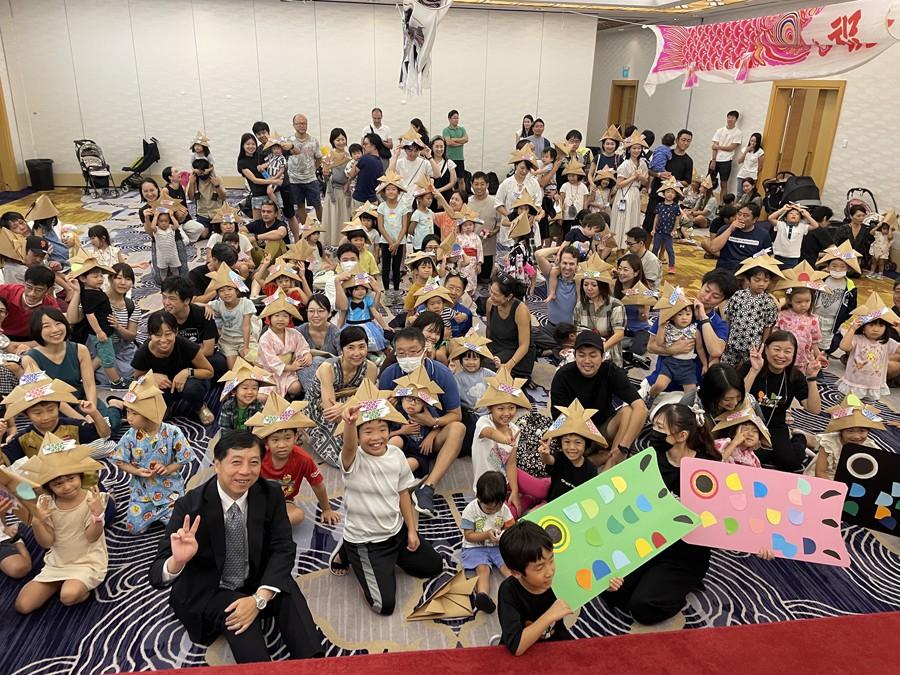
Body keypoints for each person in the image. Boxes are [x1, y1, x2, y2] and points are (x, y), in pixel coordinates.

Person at [148, 430, 324, 662]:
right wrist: (177, 561)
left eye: (254, 462)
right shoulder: (190, 506)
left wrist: (258, 599)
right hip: (213, 588)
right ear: (217, 465)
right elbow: (156, 575)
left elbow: (283, 548)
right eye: (236, 462)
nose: (245, 471)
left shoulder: (270, 493)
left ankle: (316, 664)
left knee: (286, 587)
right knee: (240, 622)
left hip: (255, 578)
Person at [331, 386, 443, 613]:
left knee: (434, 566)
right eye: (368, 431)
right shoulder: (353, 459)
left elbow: (403, 493)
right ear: (358, 436)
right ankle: (348, 551)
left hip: (396, 533)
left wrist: (411, 531)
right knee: (383, 605)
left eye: (382, 429)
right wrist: (350, 424)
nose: (376, 437)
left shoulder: (396, 455)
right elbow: (349, 446)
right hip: (366, 542)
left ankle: (377, 559)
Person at [602, 403, 716, 626]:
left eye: (660, 428)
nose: (654, 432)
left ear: (682, 436)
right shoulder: (650, 458)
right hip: (650, 542)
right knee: (613, 592)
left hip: (684, 553)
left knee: (644, 607)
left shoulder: (706, 468)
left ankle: (683, 586)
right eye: (654, 425)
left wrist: (759, 543)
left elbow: (723, 515)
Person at [14, 436, 108, 614]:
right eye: (58, 484)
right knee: (23, 605)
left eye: (71, 478)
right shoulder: (45, 503)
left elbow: (92, 537)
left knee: (68, 596)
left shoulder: (92, 499)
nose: (66, 486)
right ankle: (60, 582)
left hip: (87, 561)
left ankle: (77, 587)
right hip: (58, 563)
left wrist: (97, 514)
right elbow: (47, 543)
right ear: (49, 487)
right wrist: (37, 522)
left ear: (80, 476)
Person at [378, 327, 466, 518]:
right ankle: (386, 481)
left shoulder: (441, 374)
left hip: (431, 436)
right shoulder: (389, 375)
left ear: (424, 351)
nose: (407, 358)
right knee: (388, 443)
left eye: (413, 352)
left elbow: (455, 415)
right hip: (401, 435)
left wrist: (433, 422)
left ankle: (427, 487)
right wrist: (388, 408)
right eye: (401, 353)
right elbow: (379, 417)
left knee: (458, 428)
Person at [550, 331, 647, 467]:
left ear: (602, 356)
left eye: (593, 355)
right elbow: (559, 419)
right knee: (562, 462)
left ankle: (612, 460)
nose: (587, 361)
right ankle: (599, 458)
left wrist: (623, 447)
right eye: (581, 355)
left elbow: (641, 408)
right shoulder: (563, 376)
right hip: (575, 432)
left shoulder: (610, 371)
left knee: (628, 411)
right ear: (575, 356)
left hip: (603, 429)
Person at [246, 393, 340, 528]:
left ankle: (266, 527)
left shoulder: (303, 459)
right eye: (275, 440)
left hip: (283, 501)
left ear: (296, 437)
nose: (282, 445)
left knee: (298, 515)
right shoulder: (258, 455)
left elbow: (317, 485)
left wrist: (326, 509)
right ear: (266, 441)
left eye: (287, 438)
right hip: (256, 499)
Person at [22, 308, 121, 433]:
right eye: (46, 326)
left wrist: (92, 411)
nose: (55, 329)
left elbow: (89, 384)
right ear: (37, 330)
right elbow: (48, 396)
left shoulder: (80, 349)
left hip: (82, 399)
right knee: (76, 433)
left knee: (108, 429)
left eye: (58, 323)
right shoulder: (30, 359)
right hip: (54, 406)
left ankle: (115, 405)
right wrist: (82, 420)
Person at [113, 375, 190, 534]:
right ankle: (155, 514)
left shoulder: (173, 432)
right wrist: (136, 471)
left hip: (169, 489)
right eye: (127, 412)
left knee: (180, 526)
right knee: (133, 528)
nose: (129, 418)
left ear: (149, 413)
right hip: (143, 491)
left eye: (134, 413)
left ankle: (166, 514)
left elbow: (183, 458)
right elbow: (120, 461)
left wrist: (168, 469)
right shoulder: (130, 436)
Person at [498, 521, 583, 655]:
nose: (550, 572)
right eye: (539, 568)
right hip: (524, 646)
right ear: (516, 572)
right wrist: (550, 615)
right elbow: (516, 647)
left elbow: (584, 586)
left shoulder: (557, 578)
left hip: (556, 640)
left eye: (551, 560)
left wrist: (606, 587)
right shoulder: (508, 591)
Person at [742, 331, 823, 471]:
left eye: (787, 351)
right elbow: (739, 400)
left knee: (790, 463)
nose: (781, 355)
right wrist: (754, 371)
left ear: (794, 354)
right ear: (766, 349)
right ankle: (768, 450)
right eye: (776, 349)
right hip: (747, 422)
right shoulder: (751, 366)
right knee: (750, 459)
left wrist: (811, 378)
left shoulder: (795, 376)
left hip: (776, 426)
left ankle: (800, 438)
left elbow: (814, 409)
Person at [305, 326, 376, 467]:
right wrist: (348, 407)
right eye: (351, 348)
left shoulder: (371, 368)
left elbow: (368, 398)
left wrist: (345, 406)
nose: (357, 353)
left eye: (362, 347)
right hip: (318, 407)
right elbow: (330, 411)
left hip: (352, 405)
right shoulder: (328, 368)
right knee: (340, 435)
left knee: (371, 420)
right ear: (341, 350)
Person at [131, 311, 215, 425]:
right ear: (150, 335)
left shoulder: (185, 344)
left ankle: (199, 406)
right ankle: (166, 408)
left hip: (190, 382)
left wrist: (187, 372)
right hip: (165, 387)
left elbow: (209, 372)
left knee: (192, 389)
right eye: (158, 335)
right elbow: (137, 379)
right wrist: (151, 377)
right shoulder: (143, 352)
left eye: (168, 334)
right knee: (151, 410)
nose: (163, 340)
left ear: (176, 332)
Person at [471, 366, 531, 510]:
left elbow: (511, 463)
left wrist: (515, 491)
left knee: (541, 488)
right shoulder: (483, 422)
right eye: (500, 408)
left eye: (511, 408)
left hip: (506, 478)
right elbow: (490, 433)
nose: (506, 413)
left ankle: (526, 497)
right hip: (488, 484)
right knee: (501, 511)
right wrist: (505, 439)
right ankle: (527, 501)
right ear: (490, 408)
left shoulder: (514, 430)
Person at [460, 471, 513, 614]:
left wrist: (503, 535)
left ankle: (518, 589)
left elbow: (511, 527)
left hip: (497, 546)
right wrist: (485, 535)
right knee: (483, 569)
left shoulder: (504, 509)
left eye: (496, 507)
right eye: (488, 508)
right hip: (475, 547)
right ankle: (483, 596)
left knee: (507, 566)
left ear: (502, 501)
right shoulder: (470, 510)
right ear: (478, 497)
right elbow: (468, 536)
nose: (492, 510)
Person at [721, 254, 783, 367]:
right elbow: (728, 318)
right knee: (726, 367)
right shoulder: (738, 295)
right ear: (748, 280)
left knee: (749, 369)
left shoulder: (769, 302)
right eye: (757, 280)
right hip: (732, 342)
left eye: (766, 280)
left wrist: (763, 346)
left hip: (753, 347)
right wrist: (725, 338)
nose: (761, 284)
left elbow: (768, 326)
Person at [160, 276, 226, 379]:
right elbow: (158, 348)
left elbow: (208, 350)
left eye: (172, 298)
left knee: (220, 362)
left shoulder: (204, 314)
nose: (166, 303)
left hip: (198, 358)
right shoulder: (161, 318)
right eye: (164, 297)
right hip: (176, 360)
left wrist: (183, 356)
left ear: (186, 300)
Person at [647, 289, 706, 399]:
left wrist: (705, 364)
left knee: (691, 393)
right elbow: (658, 343)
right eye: (680, 314)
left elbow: (700, 348)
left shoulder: (695, 331)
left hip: (687, 366)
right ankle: (649, 396)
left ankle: (689, 407)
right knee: (659, 385)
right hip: (670, 363)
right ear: (673, 316)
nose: (684, 317)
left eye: (688, 314)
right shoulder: (668, 328)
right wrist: (661, 327)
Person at [837, 296, 899, 400]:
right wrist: (852, 329)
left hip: (873, 387)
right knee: (846, 406)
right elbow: (844, 346)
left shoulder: (887, 343)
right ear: (863, 326)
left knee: (867, 408)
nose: (876, 329)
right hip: (853, 384)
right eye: (871, 325)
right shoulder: (857, 339)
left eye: (881, 325)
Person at [811, 394, 884, 480]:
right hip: (827, 478)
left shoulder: (870, 446)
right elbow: (820, 472)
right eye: (850, 431)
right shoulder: (829, 443)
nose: (856, 436)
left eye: (862, 431)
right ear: (841, 431)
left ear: (868, 431)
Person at [572, 256, 626, 368]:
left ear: (602, 286)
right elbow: (576, 330)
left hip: (608, 351)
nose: (589, 288)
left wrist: (600, 350)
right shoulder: (580, 305)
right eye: (585, 284)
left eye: (594, 285)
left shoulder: (615, 305)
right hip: (586, 350)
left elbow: (619, 334)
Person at [205, 265, 259, 368]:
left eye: (230, 289)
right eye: (221, 291)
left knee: (256, 362)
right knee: (233, 368)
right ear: (218, 294)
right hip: (227, 341)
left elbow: (246, 326)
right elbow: (195, 304)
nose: (226, 293)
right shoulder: (218, 304)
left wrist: (246, 347)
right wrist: (206, 306)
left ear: (237, 291)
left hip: (244, 339)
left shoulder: (246, 303)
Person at [486, 275, 536, 380]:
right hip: (497, 346)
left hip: (515, 351)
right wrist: (485, 349)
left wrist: (508, 366)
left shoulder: (521, 310)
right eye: (491, 291)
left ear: (508, 297)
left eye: (496, 294)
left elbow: (524, 345)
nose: (491, 296)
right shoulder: (490, 302)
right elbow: (489, 329)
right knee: (473, 359)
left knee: (487, 368)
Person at [644, 129, 693, 233]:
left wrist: (673, 182)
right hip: (656, 195)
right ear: (677, 140)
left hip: (672, 199)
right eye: (683, 140)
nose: (685, 143)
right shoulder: (664, 153)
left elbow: (687, 181)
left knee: (667, 229)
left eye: (688, 141)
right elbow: (650, 170)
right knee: (649, 225)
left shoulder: (688, 161)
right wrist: (659, 174)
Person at [814, 242, 860, 353]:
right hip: (815, 316)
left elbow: (852, 306)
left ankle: (821, 357)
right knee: (811, 338)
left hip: (832, 320)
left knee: (825, 342)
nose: (838, 269)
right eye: (834, 266)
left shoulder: (850, 286)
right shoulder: (822, 279)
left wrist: (842, 318)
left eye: (842, 266)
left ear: (848, 268)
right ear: (828, 266)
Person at [0, 265, 59, 346]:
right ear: (24, 283)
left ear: (49, 290)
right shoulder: (4, 291)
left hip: (28, 340)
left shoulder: (50, 306)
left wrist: (13, 345)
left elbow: (50, 336)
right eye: (29, 287)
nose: (32, 294)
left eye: (39, 290)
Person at [704, 203, 772, 271]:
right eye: (739, 214)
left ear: (754, 219)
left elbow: (767, 254)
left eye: (745, 215)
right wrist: (730, 229)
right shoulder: (725, 229)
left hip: (748, 270)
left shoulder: (763, 234)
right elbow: (713, 248)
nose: (740, 218)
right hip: (725, 268)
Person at [611, 132, 649, 249]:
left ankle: (631, 246)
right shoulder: (625, 164)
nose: (636, 150)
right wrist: (634, 177)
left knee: (632, 219)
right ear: (629, 149)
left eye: (639, 148)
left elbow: (645, 182)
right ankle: (619, 246)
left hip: (635, 193)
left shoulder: (643, 164)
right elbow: (619, 184)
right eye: (634, 148)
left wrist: (641, 178)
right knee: (622, 220)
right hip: (624, 194)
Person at [287, 114, 323, 227]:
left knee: (317, 204)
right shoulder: (289, 141)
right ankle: (306, 229)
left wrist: (313, 169)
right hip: (294, 180)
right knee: (300, 206)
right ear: (293, 125)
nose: (302, 126)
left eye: (304, 123)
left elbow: (318, 158)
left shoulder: (313, 141)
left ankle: (321, 227)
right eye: (299, 123)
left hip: (310, 179)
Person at [237, 133, 282, 220]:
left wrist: (276, 177)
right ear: (243, 146)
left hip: (272, 192)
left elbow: (268, 171)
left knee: (277, 221)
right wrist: (274, 181)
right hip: (258, 195)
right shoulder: (242, 162)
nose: (251, 146)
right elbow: (255, 180)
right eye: (248, 144)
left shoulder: (260, 156)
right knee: (258, 224)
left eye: (253, 144)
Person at [217, 358, 269, 432]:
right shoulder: (227, 406)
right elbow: (224, 429)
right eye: (245, 388)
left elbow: (261, 429)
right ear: (234, 391)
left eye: (254, 388)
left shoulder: (259, 407)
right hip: (232, 437)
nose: (250, 392)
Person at [469, 172, 500, 278]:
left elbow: (500, 224)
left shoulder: (495, 202)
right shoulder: (467, 202)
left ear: (487, 185)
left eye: (482, 184)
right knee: (470, 279)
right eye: (476, 184)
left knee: (486, 280)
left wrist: (493, 232)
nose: (479, 187)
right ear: (471, 184)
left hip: (487, 250)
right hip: (470, 250)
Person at [769, 203, 816, 268]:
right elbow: (770, 218)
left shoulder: (802, 227)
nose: (794, 215)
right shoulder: (781, 224)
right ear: (785, 218)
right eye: (791, 213)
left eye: (797, 214)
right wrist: (783, 209)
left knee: (789, 273)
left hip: (793, 258)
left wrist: (806, 215)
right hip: (777, 256)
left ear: (800, 219)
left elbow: (815, 225)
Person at [709, 110, 743, 198]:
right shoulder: (720, 130)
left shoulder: (738, 133)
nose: (730, 119)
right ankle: (706, 201)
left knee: (723, 184)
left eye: (732, 118)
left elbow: (731, 148)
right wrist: (713, 160)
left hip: (726, 161)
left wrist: (718, 147)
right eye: (728, 117)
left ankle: (722, 203)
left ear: (736, 120)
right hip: (715, 159)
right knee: (708, 182)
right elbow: (714, 147)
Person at [651, 179, 682, 274]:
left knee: (670, 250)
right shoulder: (660, 205)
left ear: (675, 195)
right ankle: (653, 265)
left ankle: (671, 266)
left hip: (669, 232)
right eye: (668, 192)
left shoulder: (676, 207)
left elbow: (677, 219)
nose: (670, 194)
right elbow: (656, 218)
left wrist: (674, 230)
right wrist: (653, 229)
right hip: (658, 231)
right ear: (663, 193)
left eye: (672, 192)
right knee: (655, 248)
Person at [350, 134, 387, 207]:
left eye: (366, 144)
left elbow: (352, 175)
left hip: (360, 199)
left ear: (374, 145)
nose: (363, 146)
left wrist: (355, 161)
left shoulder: (365, 159)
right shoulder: (380, 162)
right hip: (373, 199)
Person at [443, 110, 468, 192]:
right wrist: (460, 143)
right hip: (450, 158)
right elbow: (449, 142)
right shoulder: (446, 130)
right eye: (454, 118)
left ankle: (463, 195)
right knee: (451, 180)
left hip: (460, 158)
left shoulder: (462, 129)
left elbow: (466, 139)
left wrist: (454, 139)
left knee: (461, 179)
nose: (456, 120)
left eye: (457, 118)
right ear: (449, 119)